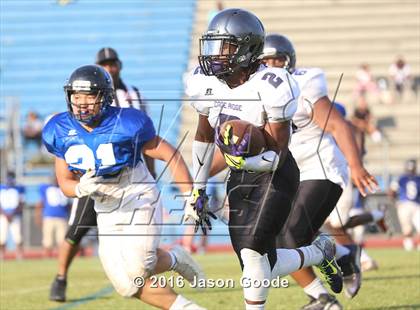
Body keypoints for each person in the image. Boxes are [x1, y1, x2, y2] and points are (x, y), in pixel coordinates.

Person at [185, 9, 344, 310]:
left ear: (246, 49)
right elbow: (204, 136)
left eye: (225, 46)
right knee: (259, 261)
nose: (215, 54)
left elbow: (277, 153)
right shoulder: (205, 83)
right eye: (213, 45)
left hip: (275, 173)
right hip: (240, 176)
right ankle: (319, 252)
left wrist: (243, 160)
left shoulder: (271, 84)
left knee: (252, 251)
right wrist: (198, 188)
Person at [43, 64, 206, 309]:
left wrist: (190, 195)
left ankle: (174, 260)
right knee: (126, 285)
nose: (82, 102)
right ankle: (178, 271)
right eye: (76, 96)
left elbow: (169, 153)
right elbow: (65, 182)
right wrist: (79, 189)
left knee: (141, 266)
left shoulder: (125, 123)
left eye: (89, 95)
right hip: (103, 205)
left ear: (105, 97)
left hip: (136, 193)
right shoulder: (60, 130)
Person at [261, 34, 377, 308]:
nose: (272, 65)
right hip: (292, 173)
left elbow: (339, 125)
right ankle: (327, 285)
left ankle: (327, 291)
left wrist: (357, 165)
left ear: (290, 61)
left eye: (278, 59)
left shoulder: (304, 83)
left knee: (291, 236)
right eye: (266, 60)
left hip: (321, 167)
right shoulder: (256, 92)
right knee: (278, 240)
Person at [49, 47, 156, 302]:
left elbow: (146, 140)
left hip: (127, 173)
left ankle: (148, 267)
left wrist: (150, 172)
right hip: (94, 175)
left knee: (138, 238)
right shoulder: (85, 95)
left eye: (113, 63)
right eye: (104, 64)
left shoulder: (134, 95)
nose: (110, 68)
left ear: (119, 66)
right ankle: (60, 276)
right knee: (77, 230)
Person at [35, 177, 71, 257]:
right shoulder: (46, 188)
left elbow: (68, 205)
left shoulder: (64, 189)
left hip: (62, 218)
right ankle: (46, 259)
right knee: (47, 242)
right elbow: (40, 203)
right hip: (49, 217)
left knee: (62, 242)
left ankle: (61, 258)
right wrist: (38, 217)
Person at [389, 159, 420, 251]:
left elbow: (391, 192)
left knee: (407, 228)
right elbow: (391, 191)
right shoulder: (416, 178)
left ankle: (408, 245)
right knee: (408, 227)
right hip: (414, 205)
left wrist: (395, 201)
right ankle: (409, 245)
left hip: (406, 204)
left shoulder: (401, 178)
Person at [0, 171, 25, 260]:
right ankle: (2, 256)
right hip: (3, 216)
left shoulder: (19, 188)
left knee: (17, 237)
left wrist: (12, 213)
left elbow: (21, 203)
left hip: (15, 216)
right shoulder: (1, 188)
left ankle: (19, 256)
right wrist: (5, 214)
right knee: (2, 237)